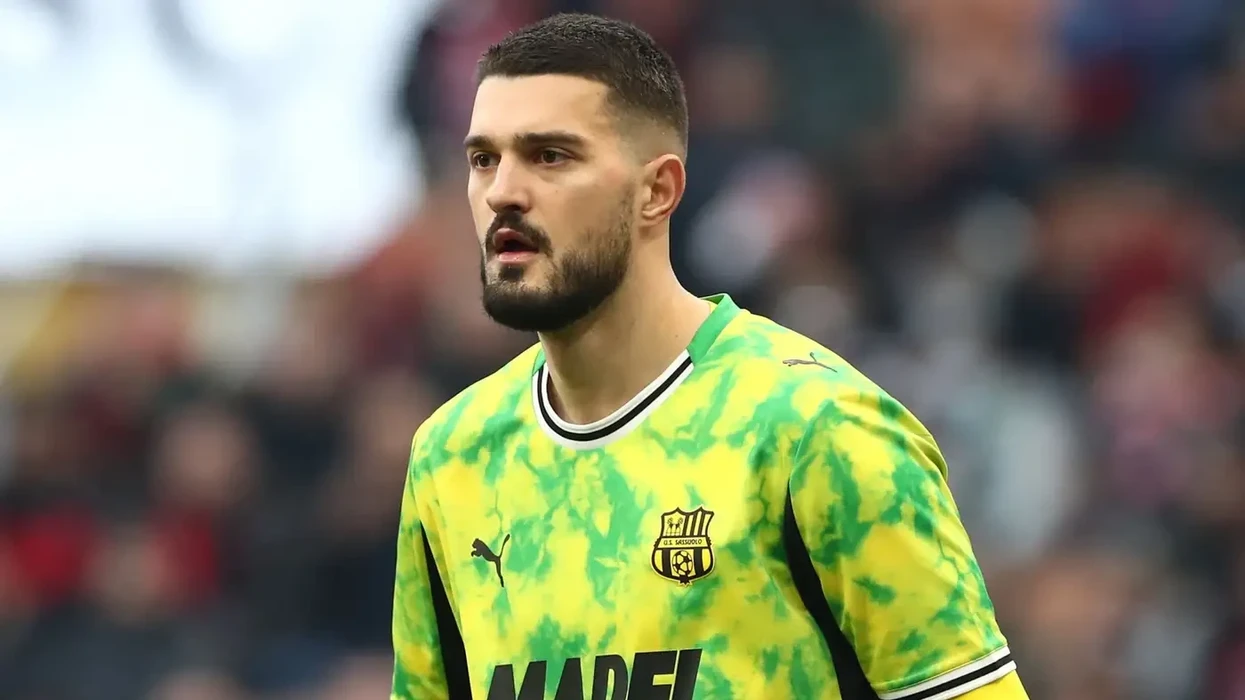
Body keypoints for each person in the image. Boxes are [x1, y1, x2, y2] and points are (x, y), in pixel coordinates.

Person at [391, 12, 1029, 700]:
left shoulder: (816, 432)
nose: (502, 193)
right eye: (483, 159)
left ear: (657, 191)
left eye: (551, 156)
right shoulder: (451, 458)